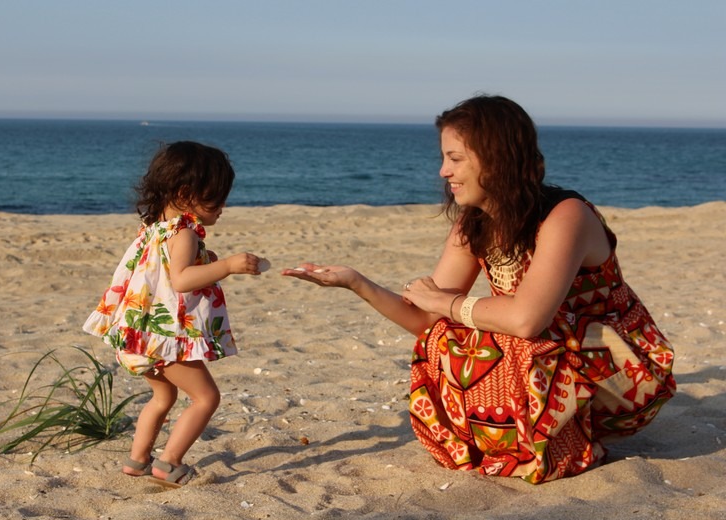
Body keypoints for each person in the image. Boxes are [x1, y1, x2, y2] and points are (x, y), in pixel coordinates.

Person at [282, 95, 675, 483]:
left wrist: (445, 301)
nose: (442, 172)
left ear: (497, 157)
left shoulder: (566, 215)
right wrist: (356, 282)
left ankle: (568, 448)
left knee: (512, 340)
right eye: (443, 158)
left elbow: (525, 319)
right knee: (441, 338)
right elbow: (424, 320)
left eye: (455, 159)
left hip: (623, 371)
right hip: (558, 356)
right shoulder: (474, 223)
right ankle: (504, 444)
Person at [84, 141, 266, 488]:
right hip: (164, 340)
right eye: (215, 198)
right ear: (185, 193)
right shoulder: (183, 233)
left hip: (139, 333)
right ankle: (168, 463)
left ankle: (137, 460)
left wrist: (206, 259)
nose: (223, 207)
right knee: (206, 397)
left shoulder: (155, 227)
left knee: (163, 396)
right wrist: (227, 266)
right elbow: (181, 280)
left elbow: (164, 274)